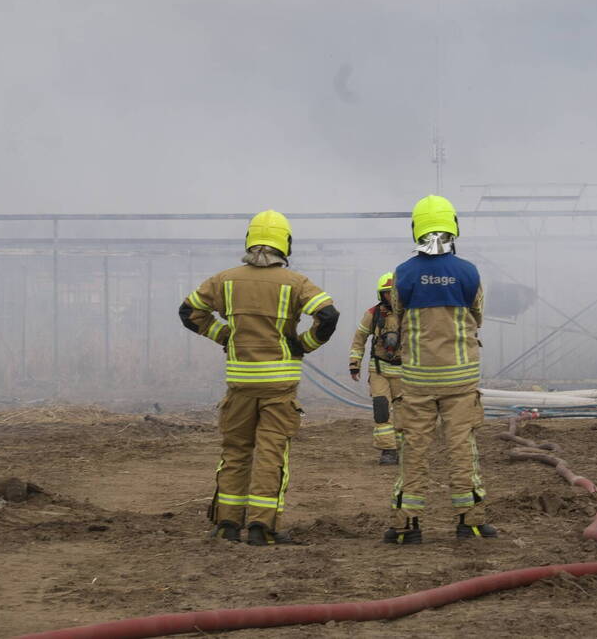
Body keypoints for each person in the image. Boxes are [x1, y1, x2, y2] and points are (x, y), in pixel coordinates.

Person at [179, 210, 339, 546]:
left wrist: (224, 336)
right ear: (286, 244)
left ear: (249, 240)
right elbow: (327, 315)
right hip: (279, 386)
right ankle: (261, 527)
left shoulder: (225, 280)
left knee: (236, 451)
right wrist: (302, 344)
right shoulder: (296, 283)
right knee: (271, 453)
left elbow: (188, 311)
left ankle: (226, 525)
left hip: (240, 384)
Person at [384, 194, 497, 544]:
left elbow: (397, 317)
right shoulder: (469, 273)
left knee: (413, 450)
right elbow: (478, 316)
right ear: (453, 228)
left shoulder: (403, 274)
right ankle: (470, 521)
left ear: (417, 229)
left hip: (417, 380)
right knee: (462, 448)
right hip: (461, 380)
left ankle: (407, 526)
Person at [349, 272, 403, 465]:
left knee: (404, 412)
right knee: (381, 410)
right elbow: (359, 340)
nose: (391, 296)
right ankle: (388, 451)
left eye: (394, 292)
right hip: (379, 369)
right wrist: (355, 364)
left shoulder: (411, 314)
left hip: (404, 373)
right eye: (387, 293)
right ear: (381, 294)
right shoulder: (373, 314)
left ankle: (403, 449)